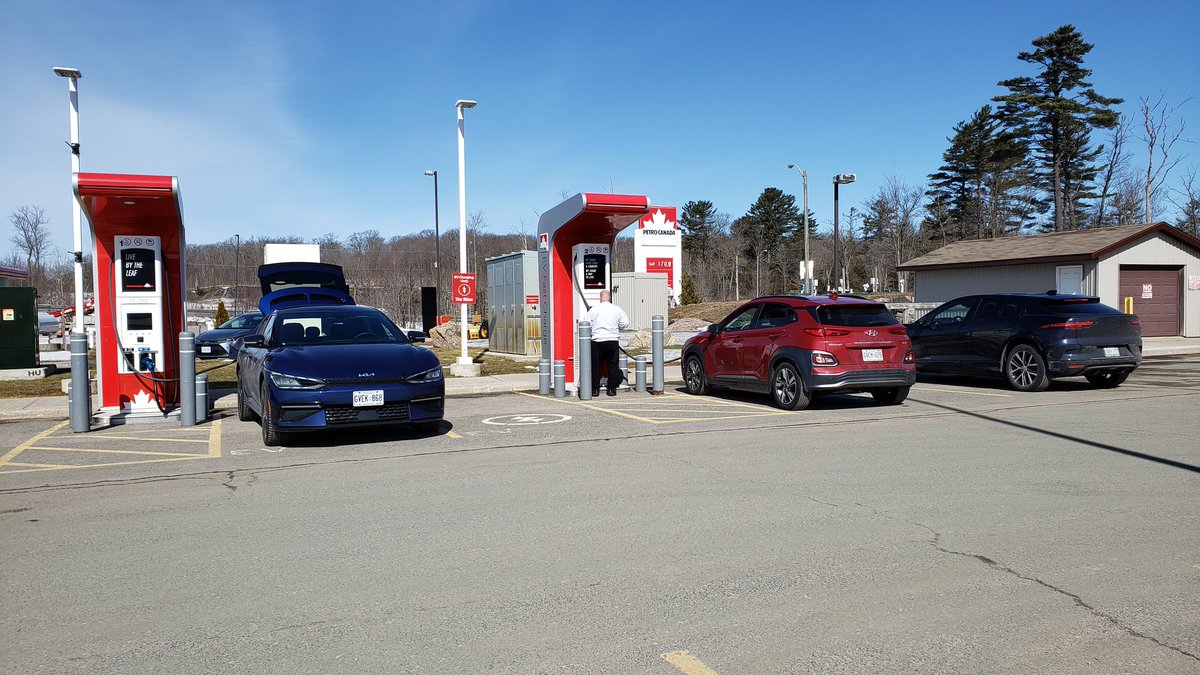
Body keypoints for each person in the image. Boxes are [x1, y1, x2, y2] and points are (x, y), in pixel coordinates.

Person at [585, 290, 629, 396]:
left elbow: (586, 323)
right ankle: (611, 389)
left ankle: (595, 389)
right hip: (612, 340)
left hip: (597, 340)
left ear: (600, 298)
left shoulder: (593, 310)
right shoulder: (617, 309)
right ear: (609, 298)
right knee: (612, 366)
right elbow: (625, 323)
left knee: (596, 366)